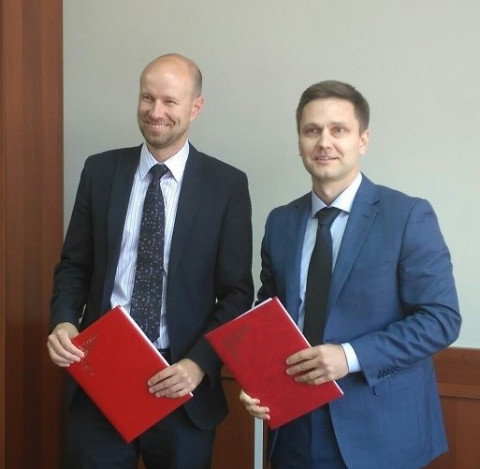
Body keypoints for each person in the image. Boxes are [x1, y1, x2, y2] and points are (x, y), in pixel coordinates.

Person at [47, 53, 254, 469]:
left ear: (195, 107)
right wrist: (65, 320)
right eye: (147, 98)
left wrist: (199, 364)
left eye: (170, 101)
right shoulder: (100, 171)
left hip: (181, 383)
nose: (155, 112)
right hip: (101, 374)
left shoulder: (226, 185)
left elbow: (236, 293)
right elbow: (74, 265)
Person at [240, 80, 461, 468]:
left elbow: (441, 319)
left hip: (382, 435)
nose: (324, 142)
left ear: (363, 140)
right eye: (312, 131)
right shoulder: (280, 222)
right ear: (300, 142)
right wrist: (258, 378)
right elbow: (269, 313)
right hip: (294, 430)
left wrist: (350, 356)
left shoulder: (407, 215)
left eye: (338, 129)